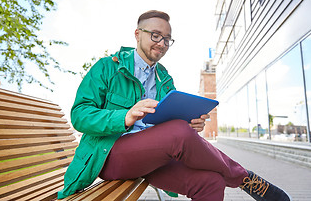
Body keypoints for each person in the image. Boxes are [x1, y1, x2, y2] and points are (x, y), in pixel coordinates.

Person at [58, 10, 291, 201]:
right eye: (156, 35)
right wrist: (125, 117)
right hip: (110, 155)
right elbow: (79, 115)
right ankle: (244, 178)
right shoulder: (108, 67)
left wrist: (192, 124)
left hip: (154, 157)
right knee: (178, 131)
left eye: (167, 39)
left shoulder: (164, 78)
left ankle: (235, 177)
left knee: (211, 182)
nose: (162, 43)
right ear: (137, 34)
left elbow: (171, 127)